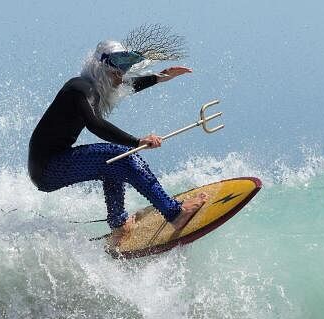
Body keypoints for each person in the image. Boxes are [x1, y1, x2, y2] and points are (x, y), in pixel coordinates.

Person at [27, 37, 207, 247]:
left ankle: (119, 223)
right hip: (48, 168)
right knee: (122, 158)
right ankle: (175, 213)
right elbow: (95, 124)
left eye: (124, 70)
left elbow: (128, 86)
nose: (121, 76)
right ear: (99, 66)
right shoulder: (80, 88)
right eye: (116, 70)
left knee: (113, 164)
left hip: (54, 163)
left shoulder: (97, 86)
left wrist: (160, 77)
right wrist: (137, 141)